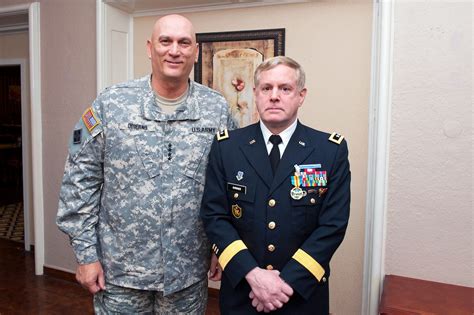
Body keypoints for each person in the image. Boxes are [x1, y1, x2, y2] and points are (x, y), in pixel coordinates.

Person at [57, 14, 235, 314]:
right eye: (165, 41)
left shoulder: (217, 110)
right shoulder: (112, 104)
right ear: (150, 48)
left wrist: (222, 246)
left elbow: (230, 184)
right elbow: (80, 181)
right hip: (120, 275)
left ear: (196, 51)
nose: (174, 50)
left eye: (184, 42)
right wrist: (86, 255)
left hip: (186, 276)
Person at [200, 56, 351, 314]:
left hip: (301, 295)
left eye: (285, 88)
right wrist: (253, 275)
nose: (274, 96)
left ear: (301, 95)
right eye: (266, 88)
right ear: (256, 94)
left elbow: (332, 226)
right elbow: (215, 217)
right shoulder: (227, 147)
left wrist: (283, 284)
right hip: (243, 292)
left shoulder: (329, 150)